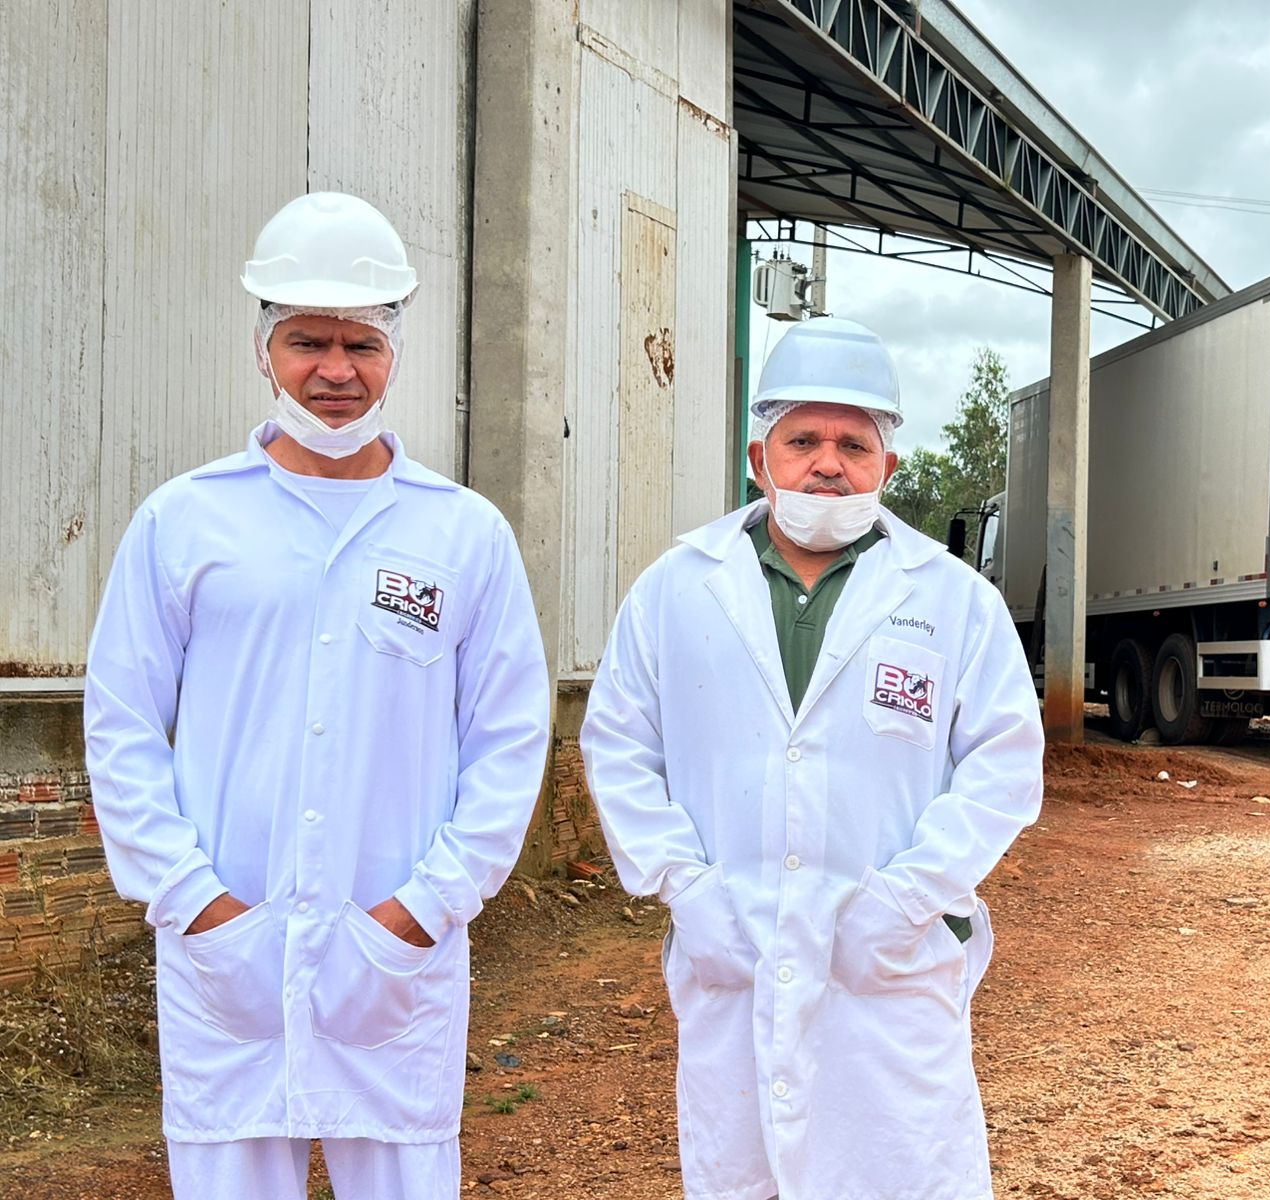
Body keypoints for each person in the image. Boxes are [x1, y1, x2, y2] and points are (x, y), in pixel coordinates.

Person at [83, 192, 550, 1200]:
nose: (336, 371)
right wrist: (194, 902)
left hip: (392, 958)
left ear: (394, 352)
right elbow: (121, 726)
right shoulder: (186, 520)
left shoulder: (462, 534)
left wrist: (425, 909)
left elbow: (509, 740)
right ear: (264, 348)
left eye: (362, 343)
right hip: (228, 952)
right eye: (308, 342)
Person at [581, 316, 1045, 1200]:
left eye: (851, 443)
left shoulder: (954, 601)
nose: (826, 462)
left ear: (888, 468)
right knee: (742, 1170)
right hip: (735, 944)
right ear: (761, 457)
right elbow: (618, 745)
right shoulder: (677, 590)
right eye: (803, 440)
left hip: (889, 966)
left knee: (902, 1168)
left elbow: (1003, 768)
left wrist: (907, 899)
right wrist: (686, 886)